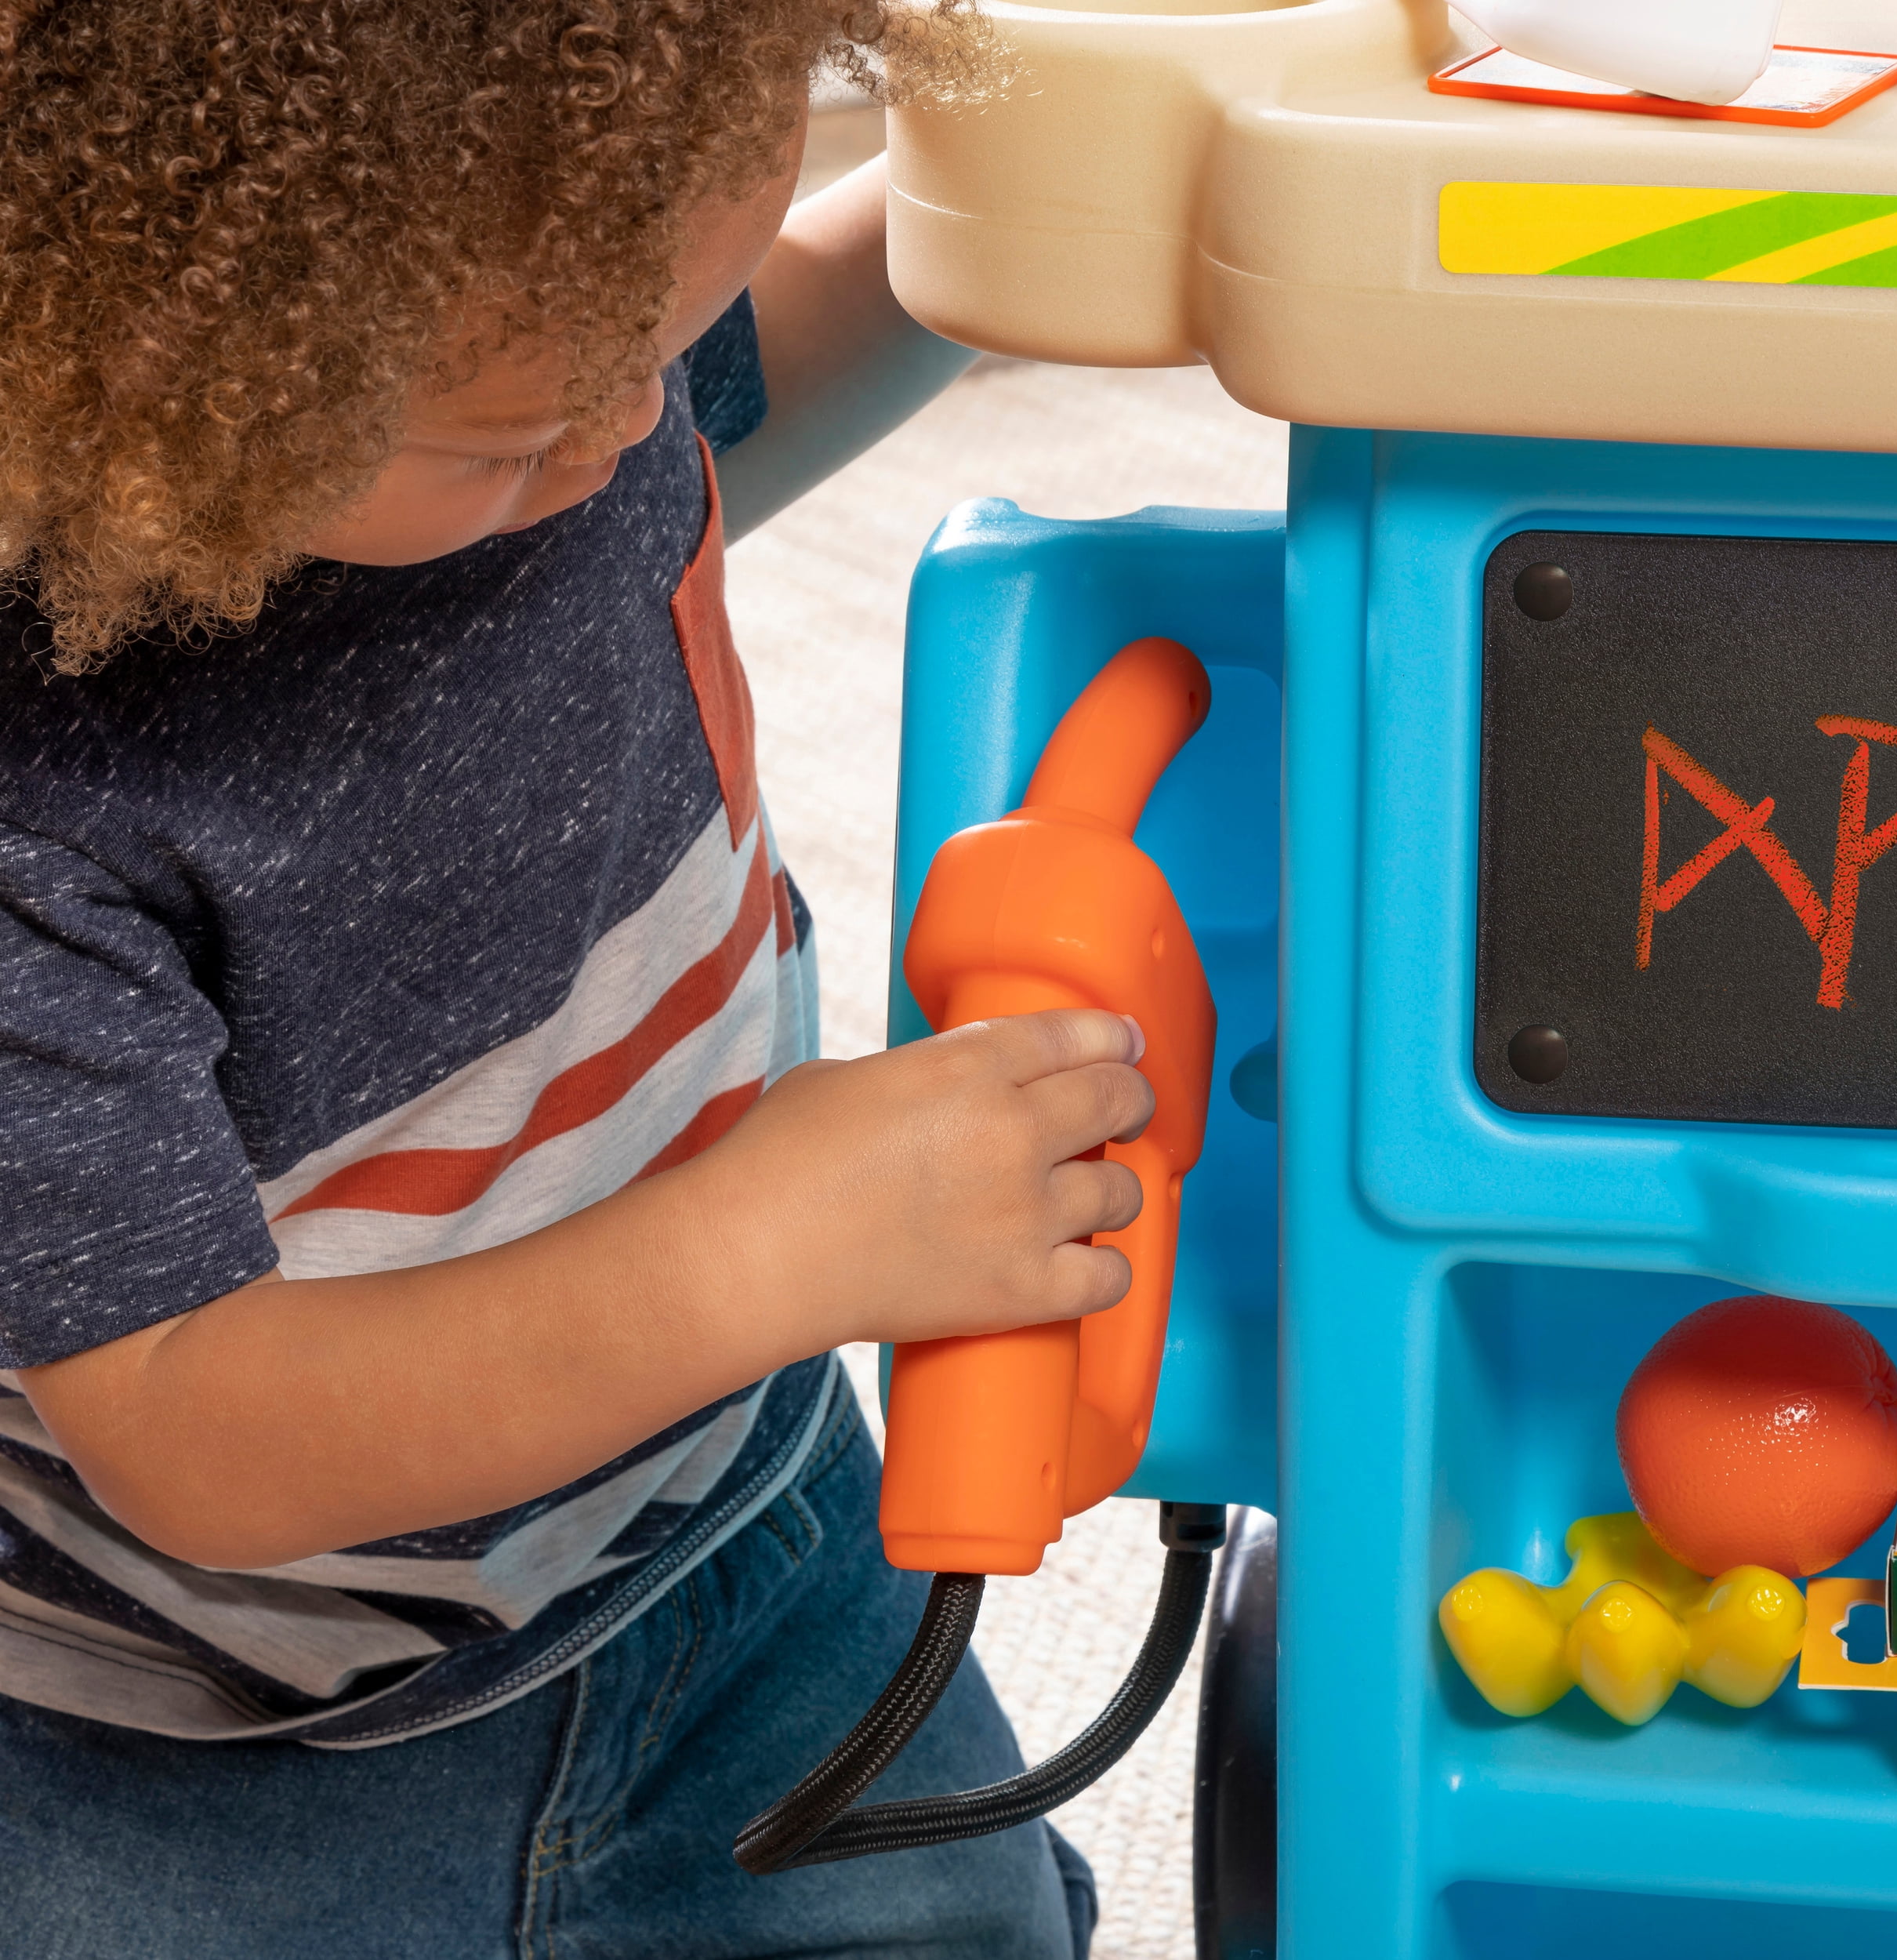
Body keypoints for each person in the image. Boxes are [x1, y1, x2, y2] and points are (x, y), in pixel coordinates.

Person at [0, 3, 1155, 1953]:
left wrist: (1017, 225)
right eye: (517, 435)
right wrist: (769, 1248)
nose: (635, 428)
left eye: (651, 341)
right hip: (208, 1737)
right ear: (133, 369)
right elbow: (202, 1426)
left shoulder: (543, 282)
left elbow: (740, 366)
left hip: (746, 1506)